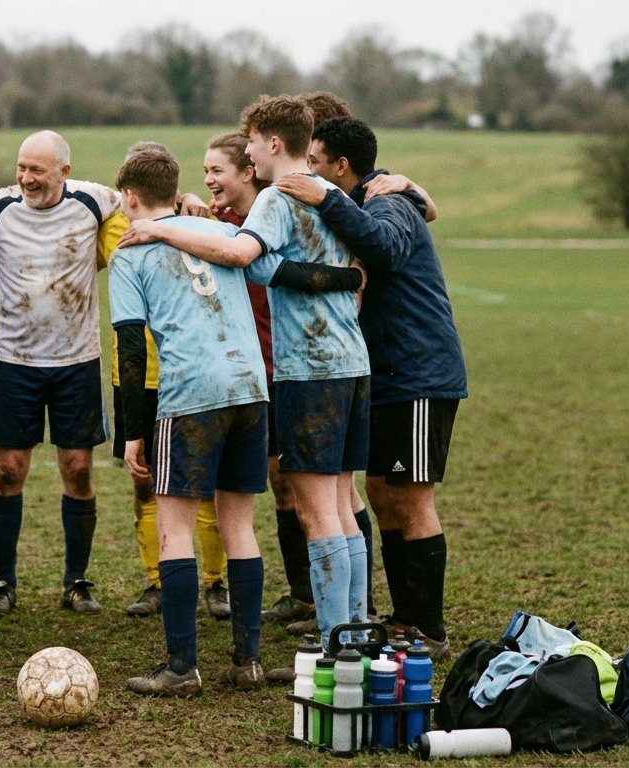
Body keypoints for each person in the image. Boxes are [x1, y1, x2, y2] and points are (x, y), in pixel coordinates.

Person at [118, 95, 373, 644]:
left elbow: (238, 255)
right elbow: (343, 268)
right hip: (354, 361)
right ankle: (356, 630)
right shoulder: (331, 195)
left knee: (320, 513)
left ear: (274, 144)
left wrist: (160, 230)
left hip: (310, 366)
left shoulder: (277, 198)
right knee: (344, 507)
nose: (248, 152)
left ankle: (336, 647)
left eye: (252, 143)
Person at [273, 116, 466, 659]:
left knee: (411, 501)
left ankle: (427, 629)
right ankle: (402, 619)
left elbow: (382, 248)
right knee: (382, 496)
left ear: (341, 166)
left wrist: (329, 197)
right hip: (383, 378)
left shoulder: (388, 204)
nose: (308, 170)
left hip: (420, 377)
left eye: (316, 161)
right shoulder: (374, 200)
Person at [108, 147, 269, 697]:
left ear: (130, 198)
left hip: (191, 394)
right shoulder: (219, 232)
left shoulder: (129, 253)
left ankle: (181, 667)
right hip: (250, 389)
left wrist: (134, 431)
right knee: (239, 525)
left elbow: (131, 351)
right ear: (176, 191)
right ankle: (247, 662)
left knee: (174, 526)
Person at [0, 131, 121, 615]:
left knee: (77, 469)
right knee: (10, 471)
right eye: (22, 167)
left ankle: (77, 581)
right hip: (15, 361)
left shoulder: (94, 202)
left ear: (64, 173)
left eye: (38, 170)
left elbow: (142, 199)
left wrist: (192, 198)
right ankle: (3, 582)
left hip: (78, 361)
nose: (26, 178)